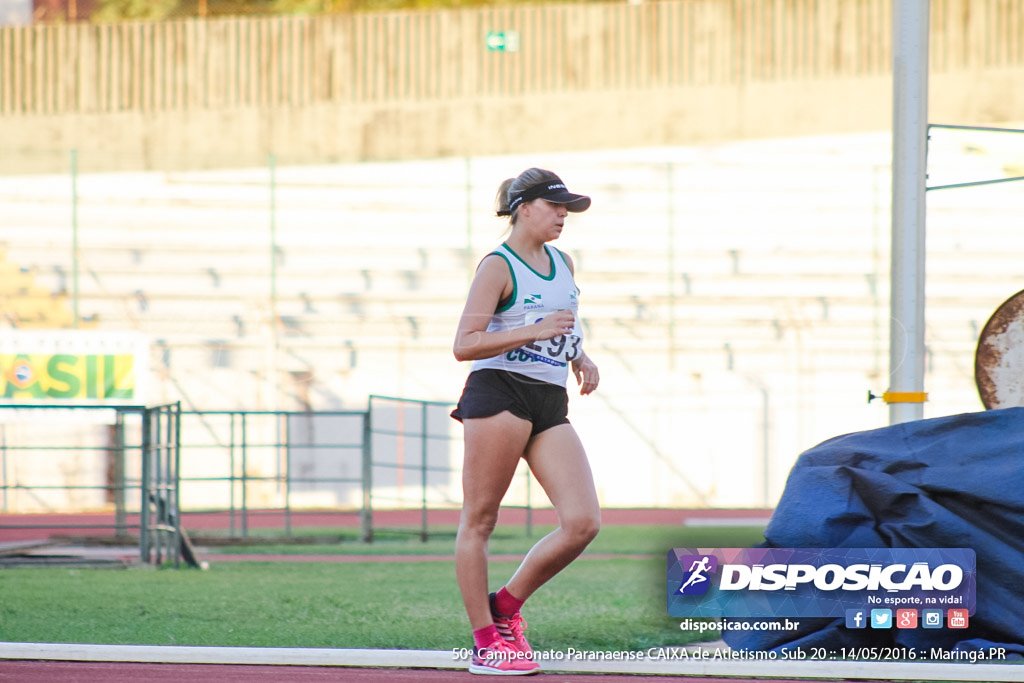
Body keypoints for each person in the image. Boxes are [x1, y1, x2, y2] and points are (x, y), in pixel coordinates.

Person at [451, 168, 602, 675]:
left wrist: (580, 355)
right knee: (481, 520)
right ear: (523, 207)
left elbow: (565, 318)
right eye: (554, 206)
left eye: (567, 209)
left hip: (548, 397)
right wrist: (533, 330)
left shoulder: (563, 261)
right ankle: (485, 640)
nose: (563, 216)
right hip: (499, 392)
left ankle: (506, 607)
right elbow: (464, 345)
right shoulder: (498, 265)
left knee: (582, 523)